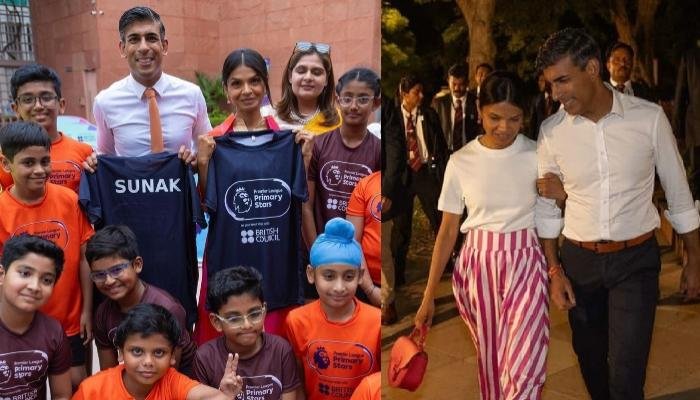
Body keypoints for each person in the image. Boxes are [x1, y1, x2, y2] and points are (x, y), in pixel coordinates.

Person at [536, 28, 700, 400]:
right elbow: (546, 212)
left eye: (563, 80)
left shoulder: (649, 119)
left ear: (592, 68)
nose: (556, 93)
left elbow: (678, 193)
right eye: (550, 84)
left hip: (636, 261)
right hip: (579, 265)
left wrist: (694, 258)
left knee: (627, 377)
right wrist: (554, 270)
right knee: (593, 366)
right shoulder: (552, 131)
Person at [415, 71, 553, 400]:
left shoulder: (538, 154)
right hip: (477, 269)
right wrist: (428, 294)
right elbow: (448, 229)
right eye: (494, 117)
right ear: (479, 110)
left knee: (525, 365)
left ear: (525, 116)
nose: (504, 127)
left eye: (514, 118)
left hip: (528, 263)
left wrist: (554, 267)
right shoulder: (461, 161)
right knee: (492, 364)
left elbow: (552, 213)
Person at [0, 121, 94, 390]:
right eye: (28, 163)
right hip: (22, 324)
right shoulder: (2, 210)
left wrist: (87, 310)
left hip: (71, 319)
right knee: (27, 388)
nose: (40, 170)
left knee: (76, 384)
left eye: (45, 161)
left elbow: (84, 257)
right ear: (6, 165)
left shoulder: (68, 200)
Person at [92, 6, 211, 162]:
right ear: (122, 49)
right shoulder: (105, 102)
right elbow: (106, 159)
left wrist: (195, 161)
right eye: (134, 39)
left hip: (181, 186)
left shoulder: (192, 95)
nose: (143, 47)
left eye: (151, 38)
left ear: (164, 46)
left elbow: (206, 146)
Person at [285, 218, 380, 400]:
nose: (339, 287)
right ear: (311, 274)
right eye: (329, 276)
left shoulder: (376, 322)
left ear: (360, 276)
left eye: (348, 276)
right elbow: (297, 378)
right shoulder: (296, 321)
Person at [86, 225, 197, 376]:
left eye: (117, 270)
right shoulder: (103, 314)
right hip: (138, 380)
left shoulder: (167, 309)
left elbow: (168, 379)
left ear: (137, 265)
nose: (109, 281)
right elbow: (109, 375)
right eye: (99, 275)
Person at [72, 303, 242, 399]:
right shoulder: (92, 390)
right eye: (137, 351)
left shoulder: (172, 382)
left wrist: (225, 395)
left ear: (172, 355)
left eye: (159, 353)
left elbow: (205, 396)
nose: (148, 362)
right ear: (121, 353)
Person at [302, 68, 381, 249]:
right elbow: (306, 205)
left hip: (360, 255)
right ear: (338, 101)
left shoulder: (378, 151)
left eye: (362, 99)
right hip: (321, 248)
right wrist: (316, 252)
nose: (353, 106)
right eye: (347, 98)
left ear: (376, 103)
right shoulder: (318, 145)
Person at [193, 266, 301, 399]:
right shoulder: (206, 358)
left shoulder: (281, 350)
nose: (247, 325)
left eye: (254, 314)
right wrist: (224, 395)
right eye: (234, 318)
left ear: (264, 310)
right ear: (216, 322)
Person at [390, 75, 448, 287]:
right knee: (401, 226)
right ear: (404, 94)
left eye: (422, 91)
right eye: (416, 92)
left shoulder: (429, 114)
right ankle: (398, 273)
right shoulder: (393, 117)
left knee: (438, 218)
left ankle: (446, 264)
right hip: (403, 175)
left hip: (424, 172)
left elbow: (440, 144)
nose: (421, 96)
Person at [196, 47, 281, 193]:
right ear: (225, 90)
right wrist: (203, 164)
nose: (247, 90)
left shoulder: (282, 137)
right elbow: (207, 202)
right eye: (237, 84)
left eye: (254, 81)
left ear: (265, 86)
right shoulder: (213, 141)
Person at [0, 64, 93, 192]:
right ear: (16, 108)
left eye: (46, 97)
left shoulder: (85, 153)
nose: (38, 106)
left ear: (61, 105)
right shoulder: (4, 156)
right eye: (28, 99)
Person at [0, 235, 72, 400]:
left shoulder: (53, 332)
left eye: (46, 280)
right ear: (2, 274)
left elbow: (62, 395)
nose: (34, 286)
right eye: (25, 273)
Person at [276, 41, 341, 135]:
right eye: (301, 71)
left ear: (326, 79)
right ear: (290, 76)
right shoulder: (271, 119)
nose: (308, 77)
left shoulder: (339, 121)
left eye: (317, 72)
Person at [346, 171, 382, 307]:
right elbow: (352, 241)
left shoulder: (399, 182)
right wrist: (370, 289)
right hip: (367, 282)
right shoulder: (365, 185)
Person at [432, 63, 480, 153]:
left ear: (467, 83)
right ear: (448, 81)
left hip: (470, 151)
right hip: (446, 153)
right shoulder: (439, 103)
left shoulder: (476, 102)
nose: (457, 88)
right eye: (453, 84)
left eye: (461, 84)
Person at [673, 44, 700, 198]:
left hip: (696, 131)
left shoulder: (690, 56)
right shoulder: (691, 57)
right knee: (695, 180)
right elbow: (680, 94)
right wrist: (677, 132)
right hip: (696, 132)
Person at [527, 72, 560, 140]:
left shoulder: (559, 99)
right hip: (539, 138)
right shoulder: (536, 100)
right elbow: (532, 123)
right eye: (539, 80)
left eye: (542, 80)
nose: (539, 83)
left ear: (549, 81)